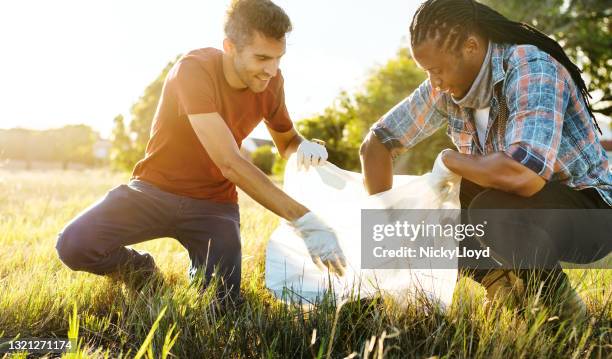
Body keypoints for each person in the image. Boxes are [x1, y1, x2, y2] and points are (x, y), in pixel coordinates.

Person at [55, 0, 346, 302]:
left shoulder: (272, 83)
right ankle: (141, 271)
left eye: (278, 58)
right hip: (153, 191)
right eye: (262, 58)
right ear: (230, 47)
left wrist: (305, 146)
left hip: (214, 206)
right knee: (74, 245)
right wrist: (304, 220)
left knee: (220, 303)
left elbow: (287, 143)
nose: (271, 70)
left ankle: (204, 279)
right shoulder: (192, 70)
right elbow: (230, 163)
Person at [359, 0, 612, 320]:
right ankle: (499, 283)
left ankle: (566, 315)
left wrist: (449, 159)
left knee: (491, 207)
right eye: (427, 72)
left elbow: (523, 175)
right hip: (524, 207)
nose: (433, 81)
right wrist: (388, 216)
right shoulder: (445, 90)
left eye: (437, 69)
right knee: (424, 207)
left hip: (592, 212)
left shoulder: (532, 67)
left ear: (471, 46)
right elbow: (376, 144)